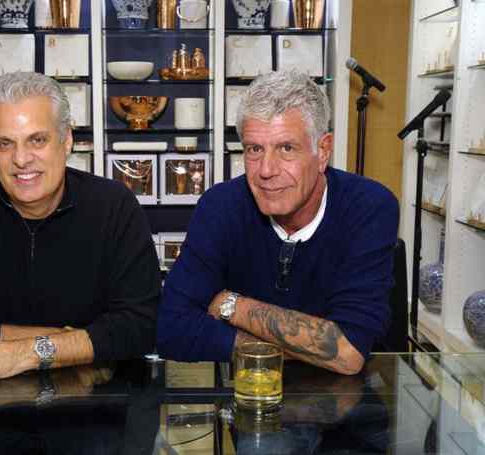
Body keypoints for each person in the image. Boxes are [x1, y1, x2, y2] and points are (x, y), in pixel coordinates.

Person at [0, 72, 160, 384]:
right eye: (5, 144)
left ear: (66, 140)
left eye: (37, 140)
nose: (21, 159)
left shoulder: (114, 205)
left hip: (93, 406)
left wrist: (24, 353)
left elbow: (141, 326)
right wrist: (64, 341)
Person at [157, 70, 399, 375]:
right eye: (254, 149)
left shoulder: (369, 207)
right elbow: (171, 330)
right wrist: (309, 347)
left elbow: (347, 353)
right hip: (248, 399)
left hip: (344, 410)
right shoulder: (220, 206)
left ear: (322, 151)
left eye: (286, 148)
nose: (266, 170)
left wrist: (231, 305)